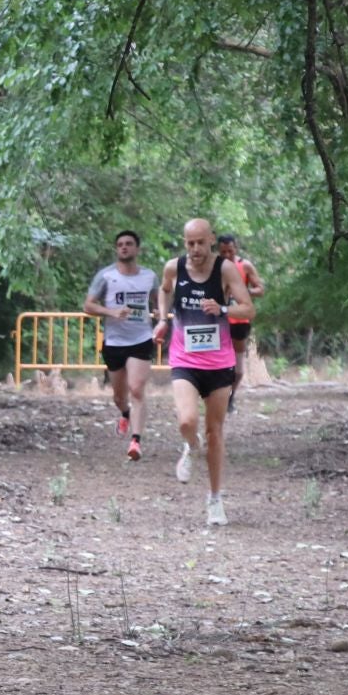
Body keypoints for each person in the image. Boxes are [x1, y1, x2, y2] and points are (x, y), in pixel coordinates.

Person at [155, 219, 253, 526]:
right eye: (190, 243)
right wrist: (163, 319)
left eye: (201, 242)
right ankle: (191, 446)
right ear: (184, 243)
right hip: (185, 358)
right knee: (186, 420)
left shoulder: (224, 269)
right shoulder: (174, 267)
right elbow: (164, 289)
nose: (195, 249)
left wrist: (222, 310)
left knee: (215, 431)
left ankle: (214, 499)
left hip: (219, 362)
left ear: (211, 240)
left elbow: (248, 308)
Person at [82, 230, 159, 460]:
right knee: (119, 396)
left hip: (141, 339)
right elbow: (88, 306)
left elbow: (160, 304)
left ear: (137, 248)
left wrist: (158, 313)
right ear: (117, 249)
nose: (124, 247)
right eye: (120, 244)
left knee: (137, 389)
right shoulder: (105, 276)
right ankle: (125, 413)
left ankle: (136, 441)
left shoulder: (149, 277)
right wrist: (112, 312)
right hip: (114, 342)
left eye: (129, 244)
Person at [216, 233, 266, 385]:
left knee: (238, 369)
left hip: (240, 319)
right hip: (218, 320)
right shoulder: (213, 266)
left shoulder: (245, 266)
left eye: (230, 251)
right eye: (223, 252)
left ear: (236, 248)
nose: (227, 255)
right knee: (219, 363)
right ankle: (218, 396)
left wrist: (244, 291)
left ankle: (231, 397)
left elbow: (260, 290)